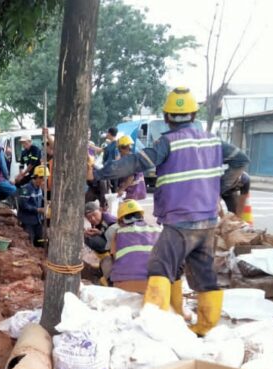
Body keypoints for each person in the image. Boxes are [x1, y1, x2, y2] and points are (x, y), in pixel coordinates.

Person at [100, 86, 249, 335]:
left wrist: (101, 172)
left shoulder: (168, 142)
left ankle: (155, 326)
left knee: (160, 267)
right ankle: (203, 327)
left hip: (180, 220)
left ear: (167, 116)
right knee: (203, 273)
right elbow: (241, 159)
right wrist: (218, 187)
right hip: (207, 221)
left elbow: (137, 162)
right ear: (194, 114)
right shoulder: (213, 141)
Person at [109, 200, 162, 292]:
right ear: (141, 216)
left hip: (124, 285)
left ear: (121, 221)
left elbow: (114, 257)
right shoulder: (158, 230)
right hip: (156, 284)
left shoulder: (119, 233)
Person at [18, 165, 48, 246]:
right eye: (43, 179)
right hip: (28, 221)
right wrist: (37, 209)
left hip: (38, 220)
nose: (44, 182)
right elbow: (23, 205)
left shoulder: (39, 188)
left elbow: (41, 199)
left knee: (41, 241)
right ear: (38, 177)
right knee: (29, 241)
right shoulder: (25, 189)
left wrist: (47, 203)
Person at [116, 135, 147, 200]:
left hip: (132, 192)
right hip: (135, 191)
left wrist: (121, 190)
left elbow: (130, 178)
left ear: (127, 148)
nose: (120, 153)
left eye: (120, 150)